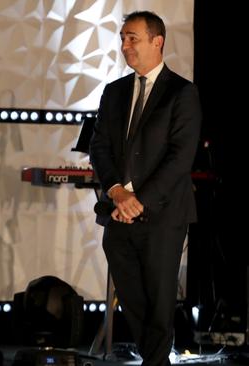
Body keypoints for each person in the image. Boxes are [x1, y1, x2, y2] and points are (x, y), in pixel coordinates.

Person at [89, 11, 202, 366]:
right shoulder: (114, 91)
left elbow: (180, 158)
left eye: (132, 38)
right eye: (122, 37)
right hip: (119, 212)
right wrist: (118, 192)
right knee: (133, 296)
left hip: (162, 215)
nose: (124, 46)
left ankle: (156, 363)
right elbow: (99, 147)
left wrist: (141, 200)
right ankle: (157, 361)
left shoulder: (182, 93)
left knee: (159, 298)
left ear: (158, 41)